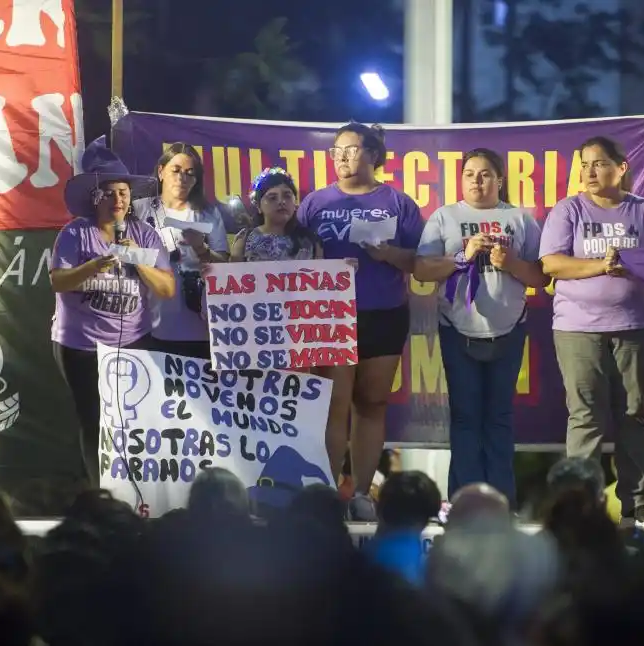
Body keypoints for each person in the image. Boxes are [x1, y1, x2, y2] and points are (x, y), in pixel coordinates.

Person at [538, 136, 644, 526]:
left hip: (637, 328)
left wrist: (635, 269)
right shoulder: (569, 210)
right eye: (584, 165)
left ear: (622, 167)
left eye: (598, 164)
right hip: (578, 328)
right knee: (585, 416)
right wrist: (600, 266)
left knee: (635, 413)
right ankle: (578, 503)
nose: (589, 172)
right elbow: (551, 264)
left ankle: (635, 502)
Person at [297, 122, 424, 520]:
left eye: (351, 150)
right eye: (337, 151)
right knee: (335, 405)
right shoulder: (315, 203)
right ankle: (329, 494)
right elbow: (291, 256)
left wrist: (391, 256)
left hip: (385, 313)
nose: (343, 158)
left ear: (373, 154)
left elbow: (422, 260)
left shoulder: (398, 202)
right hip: (330, 314)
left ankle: (363, 493)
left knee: (372, 403)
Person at [415, 148, 547, 505]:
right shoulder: (445, 217)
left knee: (500, 419)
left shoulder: (520, 219)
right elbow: (422, 271)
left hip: (509, 329)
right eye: (470, 173)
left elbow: (541, 275)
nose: (477, 180)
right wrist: (463, 256)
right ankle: (464, 502)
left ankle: (502, 503)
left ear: (500, 180)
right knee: (466, 418)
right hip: (457, 330)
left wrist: (512, 263)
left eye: (485, 173)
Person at [50, 140, 175, 486]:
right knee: (95, 421)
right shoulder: (75, 233)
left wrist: (136, 259)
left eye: (123, 192)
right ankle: (100, 492)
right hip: (80, 347)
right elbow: (58, 282)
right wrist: (94, 265)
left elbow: (166, 289)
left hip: (134, 342)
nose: (118, 200)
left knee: (133, 421)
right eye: (110, 193)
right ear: (95, 198)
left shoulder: (145, 235)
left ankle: (133, 492)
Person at [134, 143, 230, 359]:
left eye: (190, 173)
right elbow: (118, 253)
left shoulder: (208, 213)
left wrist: (201, 248)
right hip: (152, 326)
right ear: (161, 172)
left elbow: (224, 269)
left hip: (202, 329)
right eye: (175, 170)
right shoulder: (139, 209)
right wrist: (155, 260)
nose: (182, 178)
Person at [230, 167, 322, 262]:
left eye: (287, 196)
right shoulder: (244, 240)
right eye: (272, 198)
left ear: (295, 203)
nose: (281, 202)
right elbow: (234, 274)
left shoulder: (312, 241)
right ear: (258, 206)